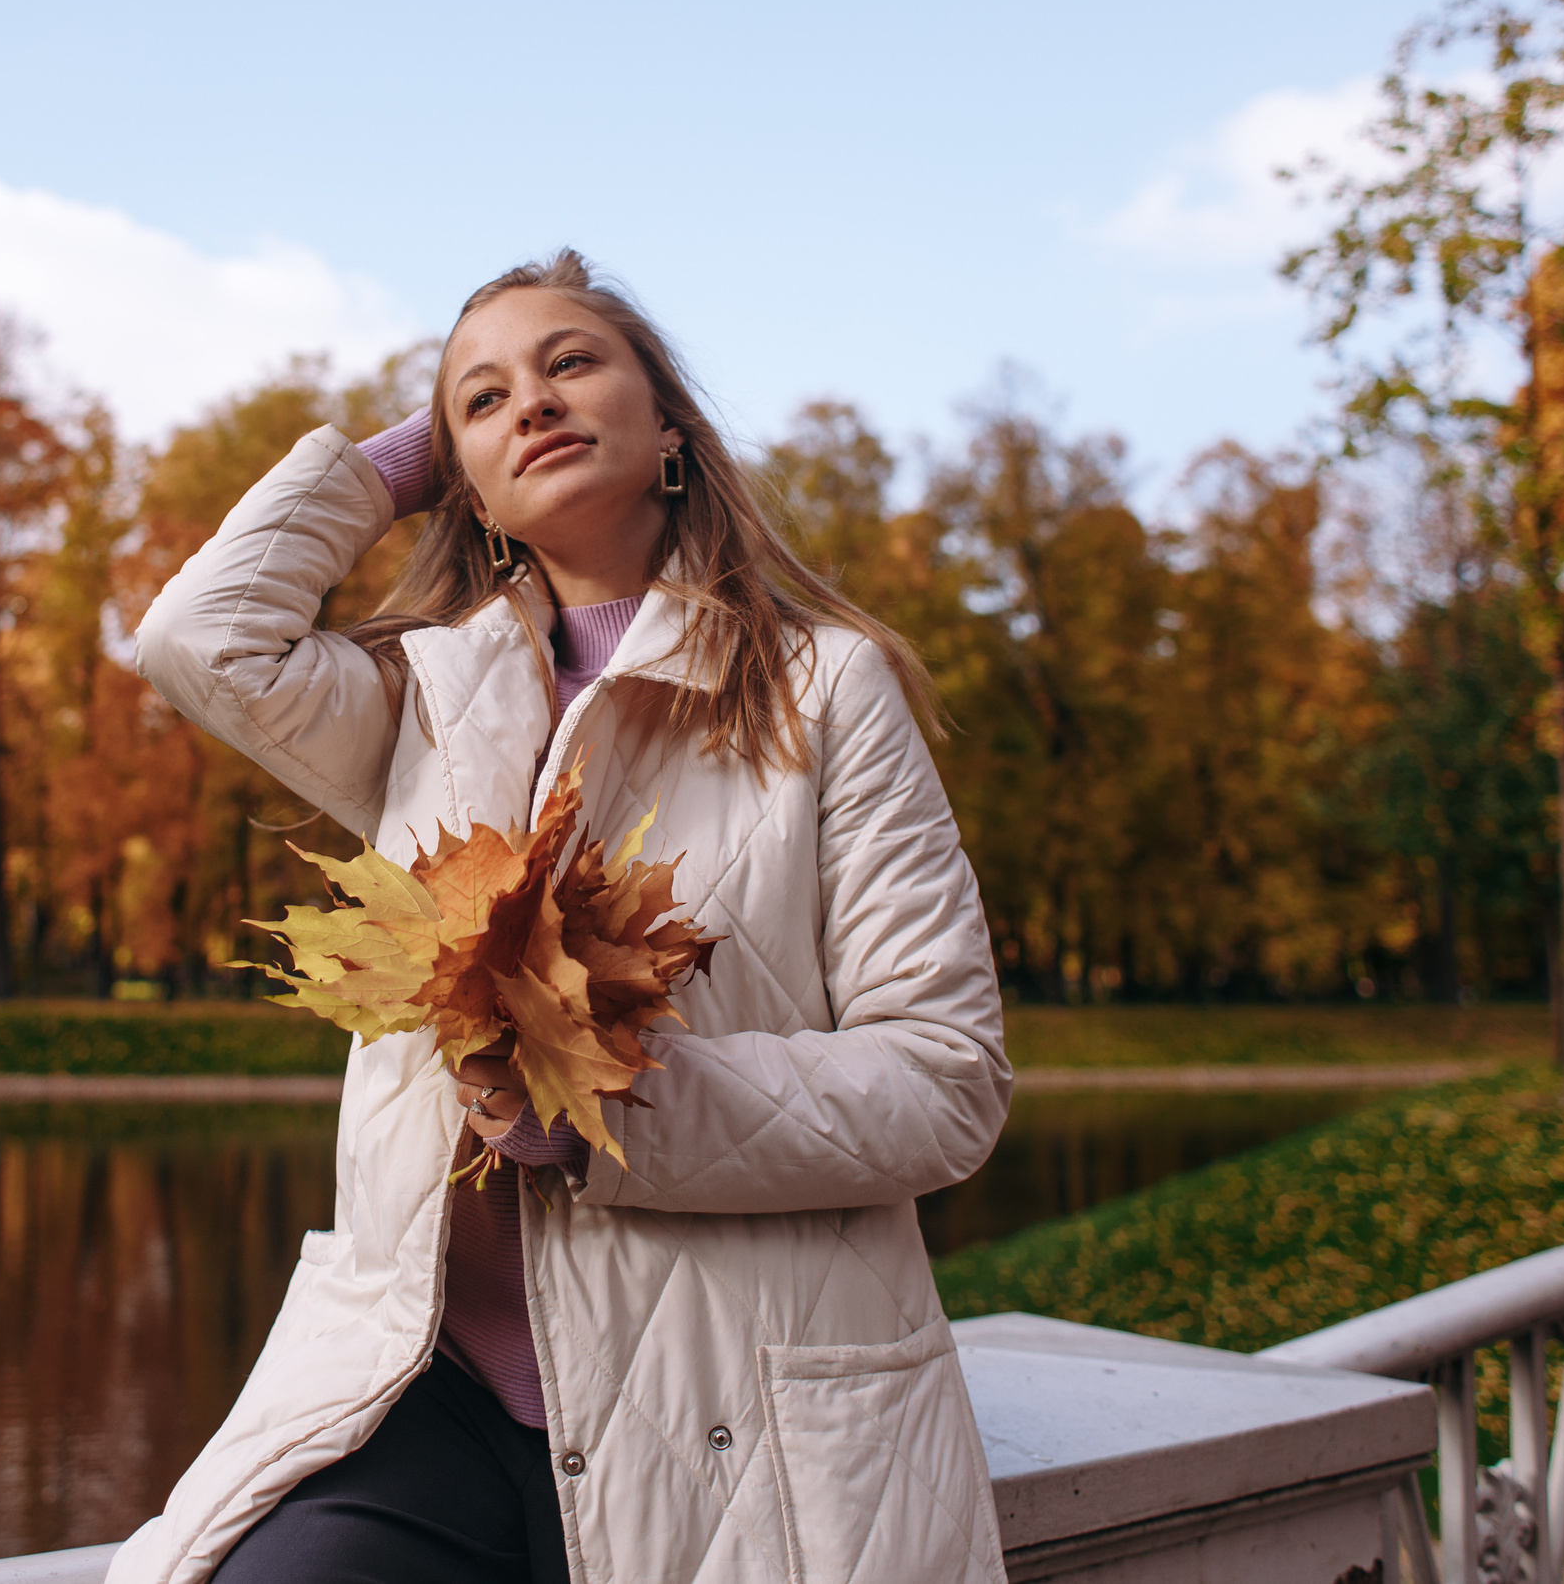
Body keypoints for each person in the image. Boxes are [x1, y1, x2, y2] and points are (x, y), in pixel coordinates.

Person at [114, 250, 1011, 1584]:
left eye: (572, 365)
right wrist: (396, 462)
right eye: (483, 398)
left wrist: (607, 1103)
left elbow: (947, 1081)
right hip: (429, 1392)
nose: (531, 400)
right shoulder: (424, 696)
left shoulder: (828, 689)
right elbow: (201, 639)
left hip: (729, 1404)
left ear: (669, 432)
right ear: (460, 481)